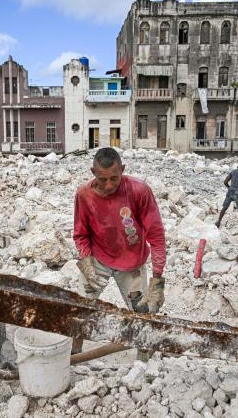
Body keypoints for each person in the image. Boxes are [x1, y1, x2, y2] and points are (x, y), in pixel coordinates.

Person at [72, 147, 166, 353]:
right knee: (80, 308)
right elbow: (80, 234)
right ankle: (74, 354)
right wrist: (86, 261)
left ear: (122, 169)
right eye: (102, 179)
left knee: (142, 314)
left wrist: (157, 280)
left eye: (114, 178)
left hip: (132, 263)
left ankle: (143, 365)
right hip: (97, 260)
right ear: (93, 172)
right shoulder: (84, 195)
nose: (109, 185)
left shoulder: (139, 191)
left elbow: (156, 235)